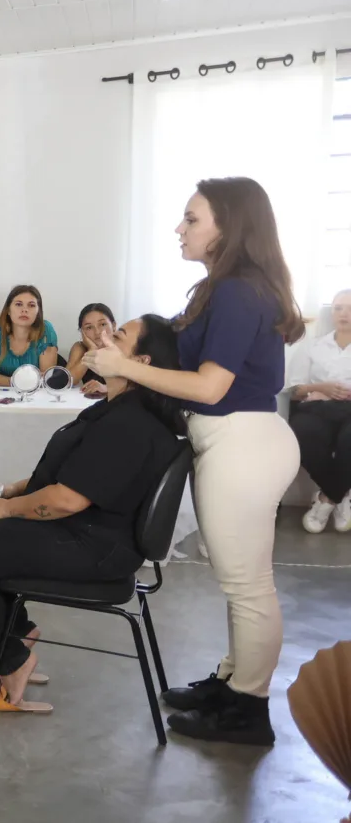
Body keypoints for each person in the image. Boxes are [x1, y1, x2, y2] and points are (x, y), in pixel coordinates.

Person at [86, 176, 303, 746]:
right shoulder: (228, 288)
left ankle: (248, 710)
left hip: (241, 442)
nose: (179, 229)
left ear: (228, 227)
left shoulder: (237, 291)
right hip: (240, 441)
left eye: (191, 219)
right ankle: (234, 685)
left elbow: (209, 387)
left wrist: (125, 368)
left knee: (248, 587)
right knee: (243, 584)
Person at [0, 315, 186, 714]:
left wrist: (5, 510)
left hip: (93, 544)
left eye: (117, 335)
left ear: (144, 362)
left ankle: (14, 662)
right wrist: (13, 490)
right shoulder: (114, 405)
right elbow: (69, 471)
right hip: (85, 531)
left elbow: (68, 500)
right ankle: (16, 636)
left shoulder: (130, 422)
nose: (103, 336)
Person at [288, 288, 351, 534]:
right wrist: (320, 387)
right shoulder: (312, 347)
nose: (344, 314)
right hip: (317, 408)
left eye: (350, 309)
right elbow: (294, 390)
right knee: (303, 434)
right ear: (331, 312)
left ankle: (326, 500)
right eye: (338, 308)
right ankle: (341, 495)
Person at [0, 285, 59, 387]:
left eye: (31, 305)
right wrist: (15, 382)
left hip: (37, 396)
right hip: (3, 395)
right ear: (8, 310)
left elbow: (45, 378)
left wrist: (14, 382)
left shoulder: (45, 330)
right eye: (18, 304)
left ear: (38, 312)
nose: (24, 310)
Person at [67, 303, 116, 396]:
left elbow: (138, 385)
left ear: (114, 326)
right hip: (90, 404)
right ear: (82, 332)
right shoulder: (80, 348)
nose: (97, 332)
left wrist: (107, 388)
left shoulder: (125, 345)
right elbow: (68, 381)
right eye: (89, 327)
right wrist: (92, 350)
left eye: (102, 324)